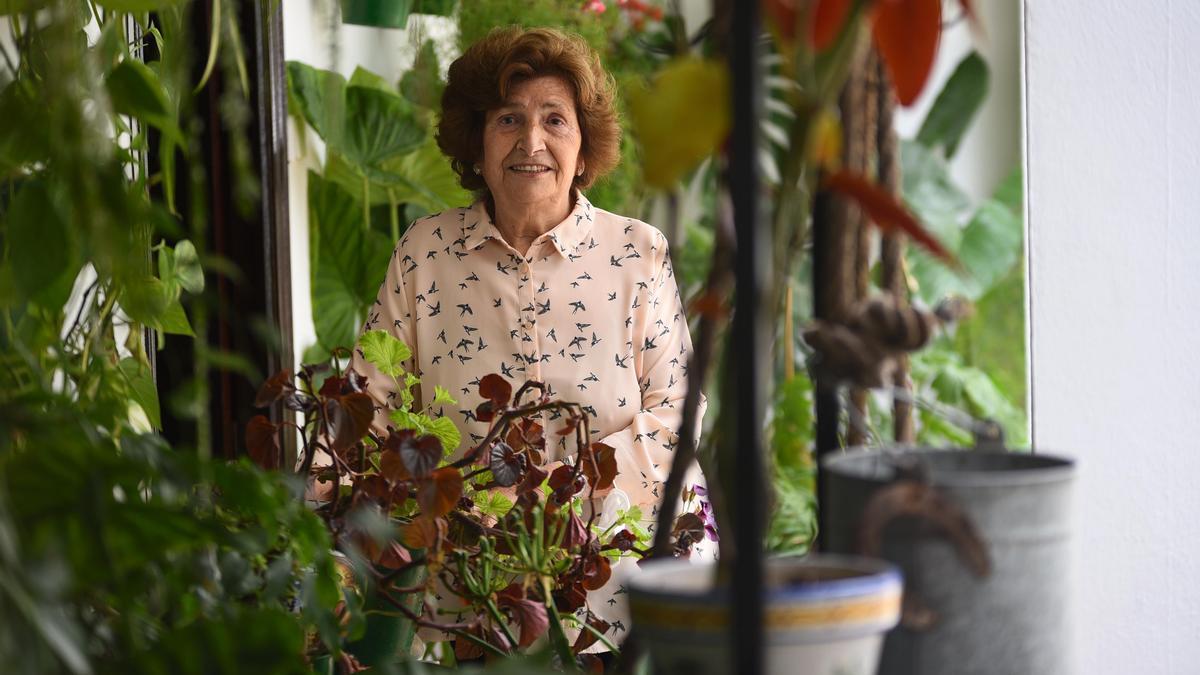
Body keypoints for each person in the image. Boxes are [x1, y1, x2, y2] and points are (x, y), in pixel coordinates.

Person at [351, 25, 707, 648]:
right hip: (467, 574)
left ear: (584, 144)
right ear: (478, 141)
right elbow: (370, 404)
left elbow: (677, 410)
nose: (531, 141)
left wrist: (556, 491)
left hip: (619, 569)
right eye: (508, 120)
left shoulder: (635, 252)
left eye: (554, 120)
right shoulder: (425, 252)